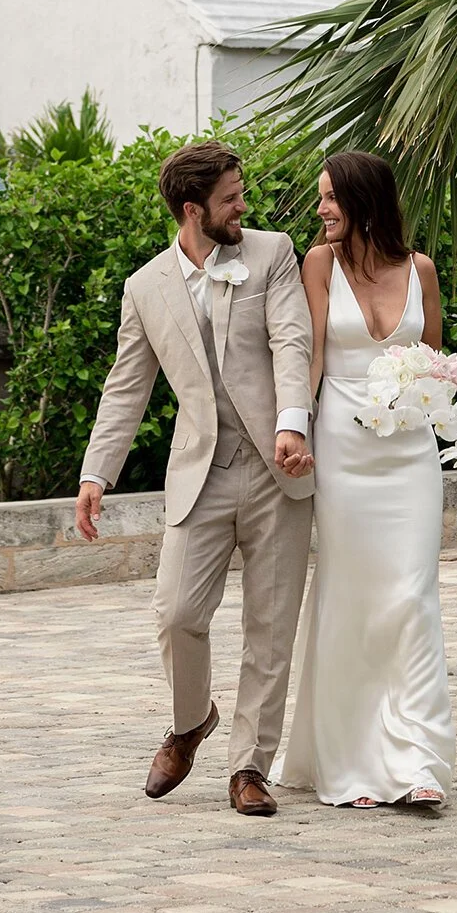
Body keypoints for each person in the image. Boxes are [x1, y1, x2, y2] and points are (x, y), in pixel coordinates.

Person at [76, 141, 317, 818]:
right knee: (177, 613)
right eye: (231, 197)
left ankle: (249, 767)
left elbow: (291, 339)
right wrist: (98, 472)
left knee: (270, 627)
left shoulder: (272, 253)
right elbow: (127, 385)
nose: (245, 205)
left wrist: (294, 422)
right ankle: (190, 721)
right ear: (193, 209)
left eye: (242, 192)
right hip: (200, 471)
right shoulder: (144, 286)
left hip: (276, 466)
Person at [271, 151, 457, 809]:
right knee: (352, 598)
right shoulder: (318, 265)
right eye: (320, 197)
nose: (321, 208)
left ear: (364, 199)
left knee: (411, 598)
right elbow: (311, 357)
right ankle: (351, 764)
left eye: (330, 197)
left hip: (409, 454)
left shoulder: (422, 270)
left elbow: (433, 361)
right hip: (344, 449)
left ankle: (417, 761)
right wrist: (293, 427)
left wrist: (434, 396)